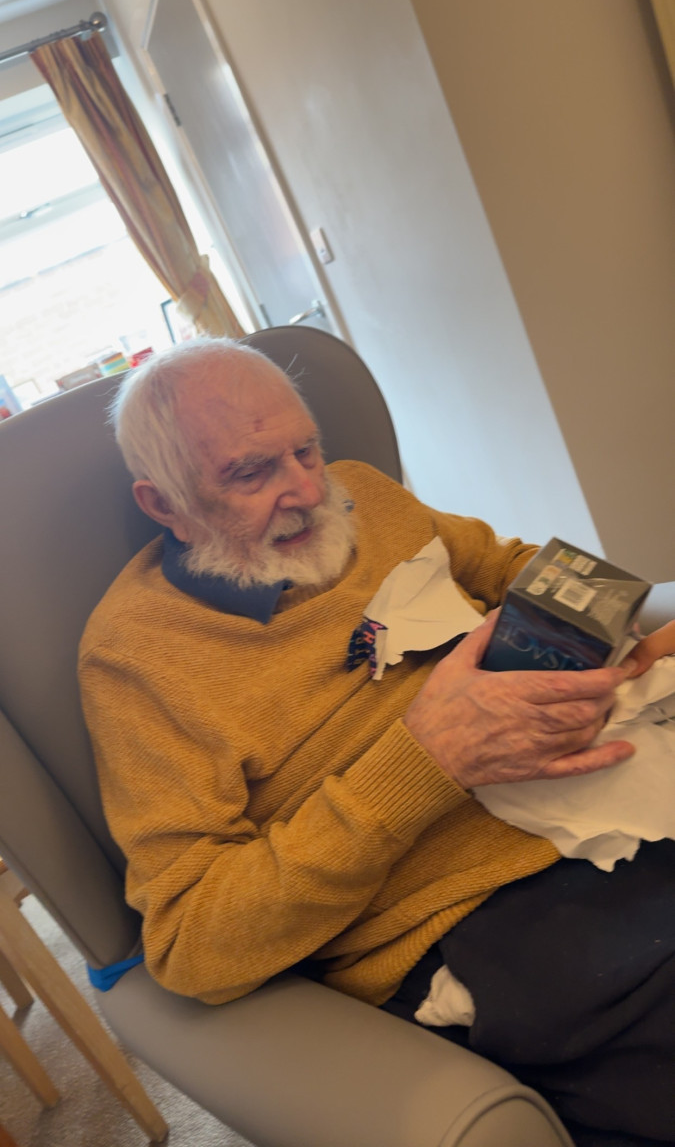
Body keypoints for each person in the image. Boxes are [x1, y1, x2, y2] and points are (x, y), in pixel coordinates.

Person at [78, 339, 675, 1147]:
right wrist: (424, 761)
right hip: (487, 907)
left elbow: (507, 567)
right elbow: (191, 946)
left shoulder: (361, 492)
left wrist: (618, 641)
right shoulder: (136, 661)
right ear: (163, 504)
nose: (306, 491)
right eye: (251, 473)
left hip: (614, 774)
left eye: (306, 450)